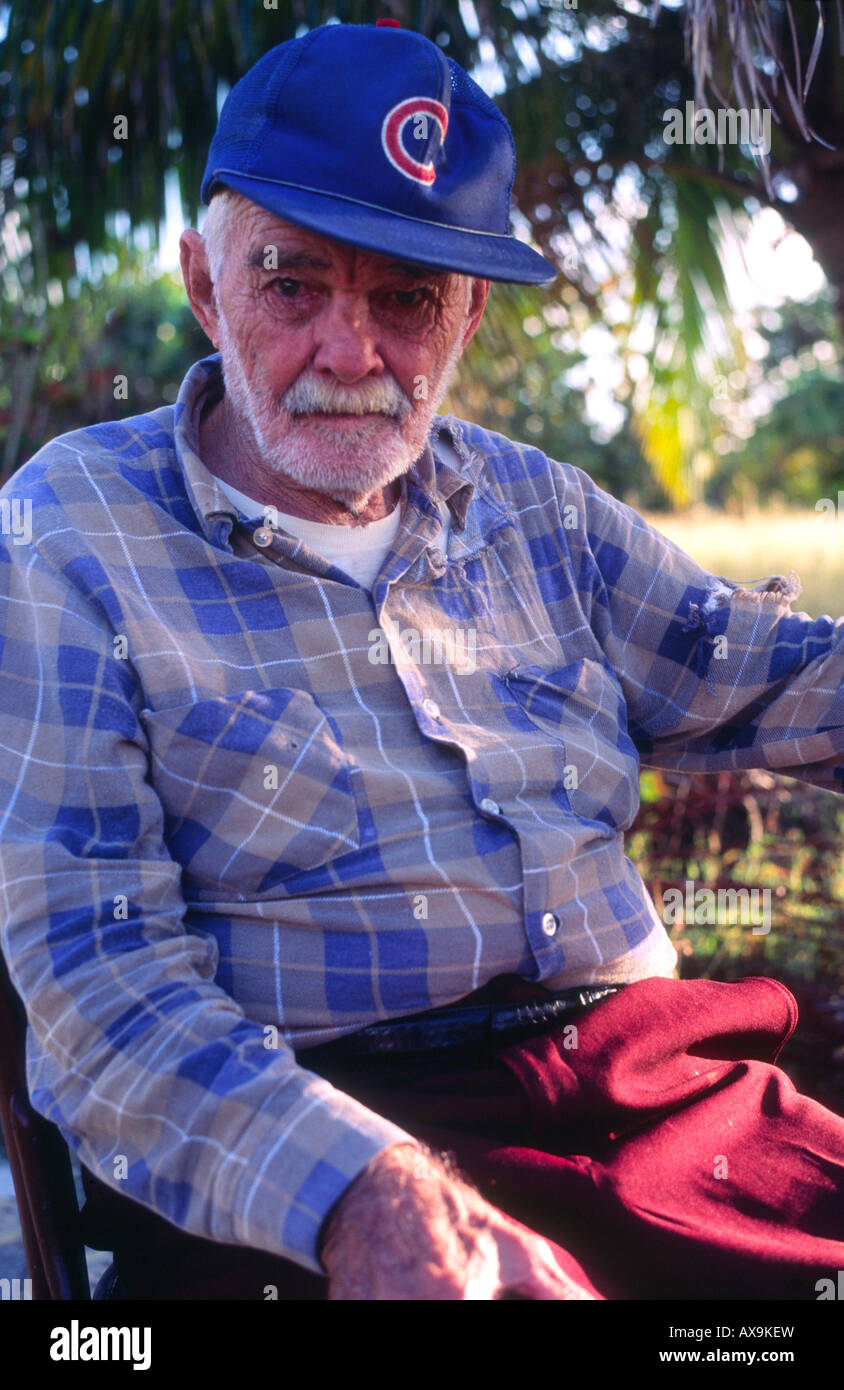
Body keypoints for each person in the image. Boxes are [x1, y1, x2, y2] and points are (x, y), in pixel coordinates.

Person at [0, 20, 842, 1303]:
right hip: (321, 1144)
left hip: (669, 1108)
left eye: (406, 298)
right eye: (291, 282)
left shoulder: (534, 505)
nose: (353, 354)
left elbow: (765, 671)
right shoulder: (73, 531)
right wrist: (358, 1193)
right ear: (201, 283)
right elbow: (96, 982)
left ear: (469, 315)